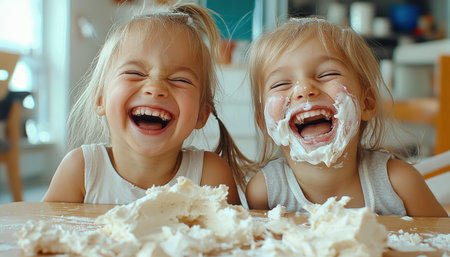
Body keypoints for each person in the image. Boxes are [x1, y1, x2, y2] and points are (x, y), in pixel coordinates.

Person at [42, 2, 251, 205]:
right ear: (100, 98)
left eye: (180, 79)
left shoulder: (210, 176)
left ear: (201, 114)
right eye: (135, 73)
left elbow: (235, 237)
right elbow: (41, 233)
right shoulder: (81, 170)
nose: (156, 87)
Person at [245, 17, 448, 217]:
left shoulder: (400, 184)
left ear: (366, 103)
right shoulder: (265, 192)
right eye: (281, 84)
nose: (304, 89)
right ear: (264, 122)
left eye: (326, 74)